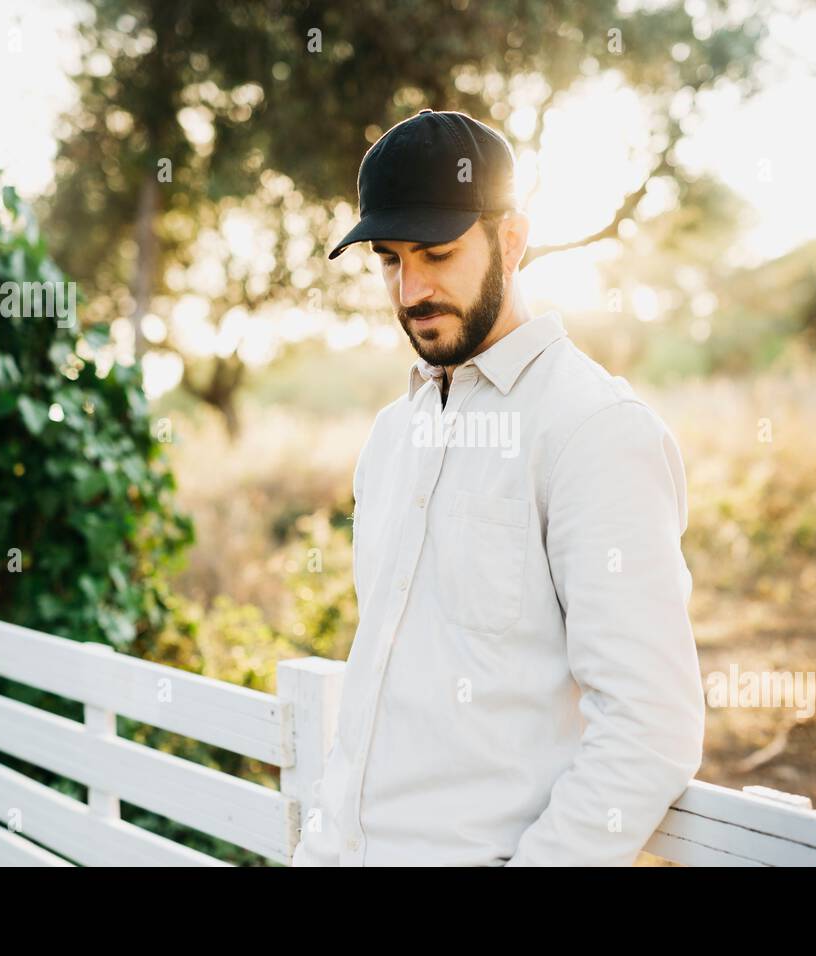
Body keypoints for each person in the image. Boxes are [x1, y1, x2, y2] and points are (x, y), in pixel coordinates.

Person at [291, 108, 705, 866]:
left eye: (437, 253)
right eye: (388, 259)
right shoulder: (390, 437)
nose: (409, 288)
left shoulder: (594, 430)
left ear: (511, 241)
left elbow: (652, 726)